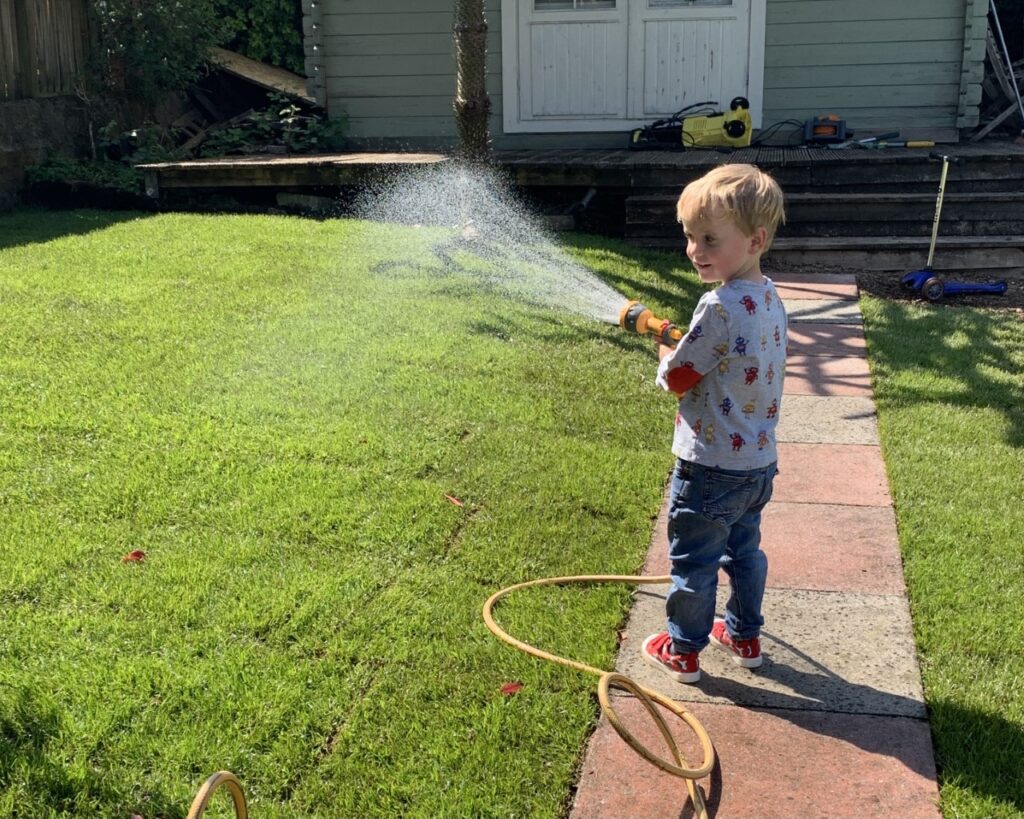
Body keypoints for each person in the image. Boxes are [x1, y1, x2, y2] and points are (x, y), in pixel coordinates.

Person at [642, 163, 787, 684]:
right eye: (689, 237)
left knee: (693, 561)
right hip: (757, 465)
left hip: (709, 466)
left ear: (755, 240)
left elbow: (681, 377)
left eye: (709, 239)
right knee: (744, 551)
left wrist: (664, 349)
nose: (695, 250)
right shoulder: (770, 297)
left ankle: (683, 649)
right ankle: (745, 636)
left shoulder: (718, 305)